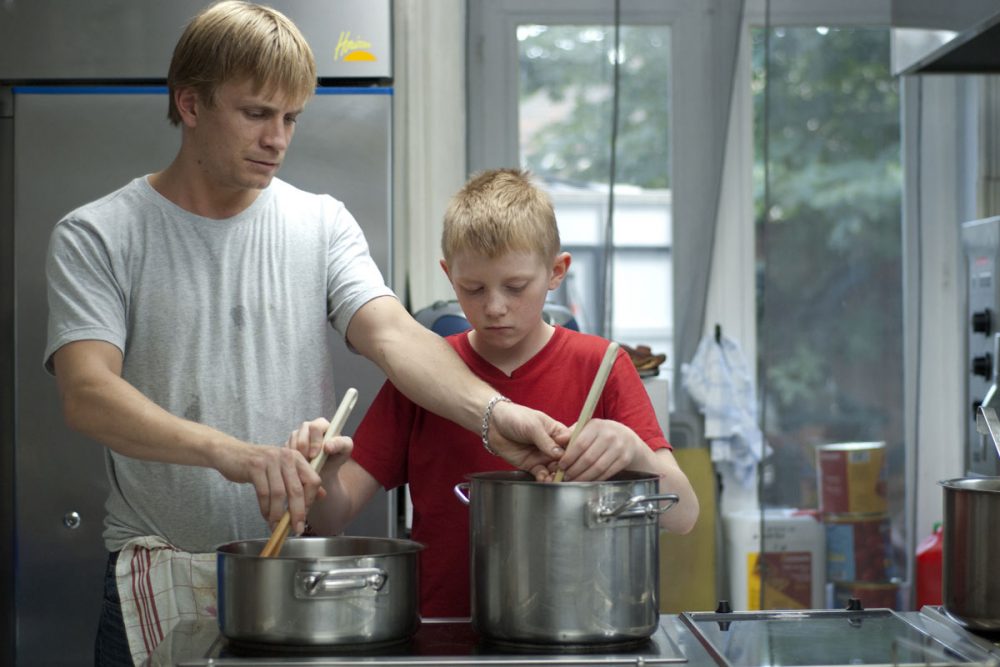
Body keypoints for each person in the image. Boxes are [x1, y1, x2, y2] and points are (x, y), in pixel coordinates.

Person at [43, 3, 568, 664]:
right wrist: (237, 453)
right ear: (191, 104)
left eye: (291, 117)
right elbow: (87, 392)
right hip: (159, 571)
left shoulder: (320, 223)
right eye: (257, 113)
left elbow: (395, 336)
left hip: (293, 579)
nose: (278, 139)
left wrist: (496, 413)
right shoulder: (99, 234)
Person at [300, 168, 700, 618]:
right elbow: (331, 519)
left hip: (575, 629)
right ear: (449, 276)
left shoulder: (601, 366)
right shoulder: (423, 373)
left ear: (556, 272)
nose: (494, 307)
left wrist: (635, 453)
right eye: (473, 289)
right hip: (444, 633)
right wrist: (323, 477)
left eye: (515, 287)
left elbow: (683, 516)